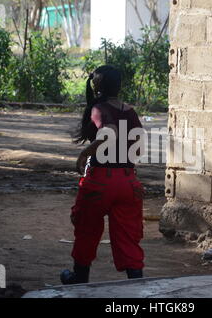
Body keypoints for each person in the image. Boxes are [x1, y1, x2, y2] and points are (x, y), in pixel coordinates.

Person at [61, 65, 145, 284]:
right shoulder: (130, 111)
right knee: (128, 237)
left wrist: (84, 154)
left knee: (86, 230)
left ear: (96, 86)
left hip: (100, 181)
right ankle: (135, 283)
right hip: (128, 181)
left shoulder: (99, 109)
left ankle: (79, 278)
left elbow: (109, 132)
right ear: (119, 86)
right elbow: (138, 142)